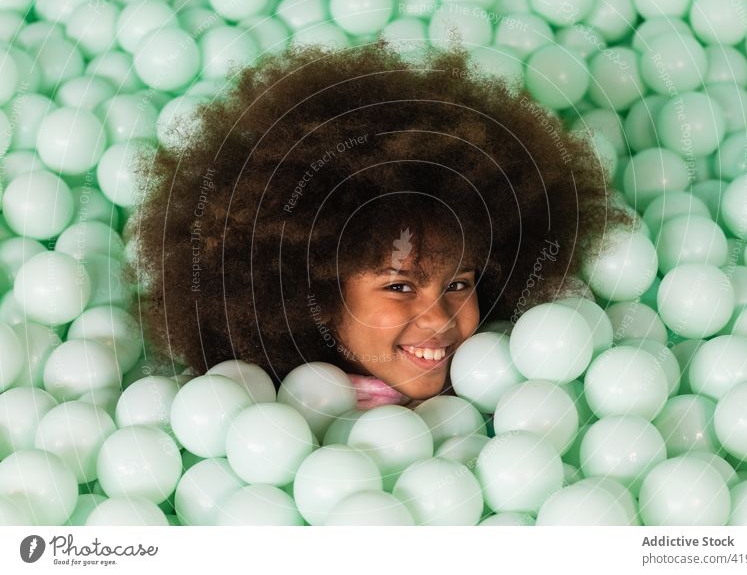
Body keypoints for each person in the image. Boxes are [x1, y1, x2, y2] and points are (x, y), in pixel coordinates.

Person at [123, 37, 632, 411]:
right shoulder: (267, 409)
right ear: (312, 293)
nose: (439, 318)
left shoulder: (521, 370)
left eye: (458, 282)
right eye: (399, 285)